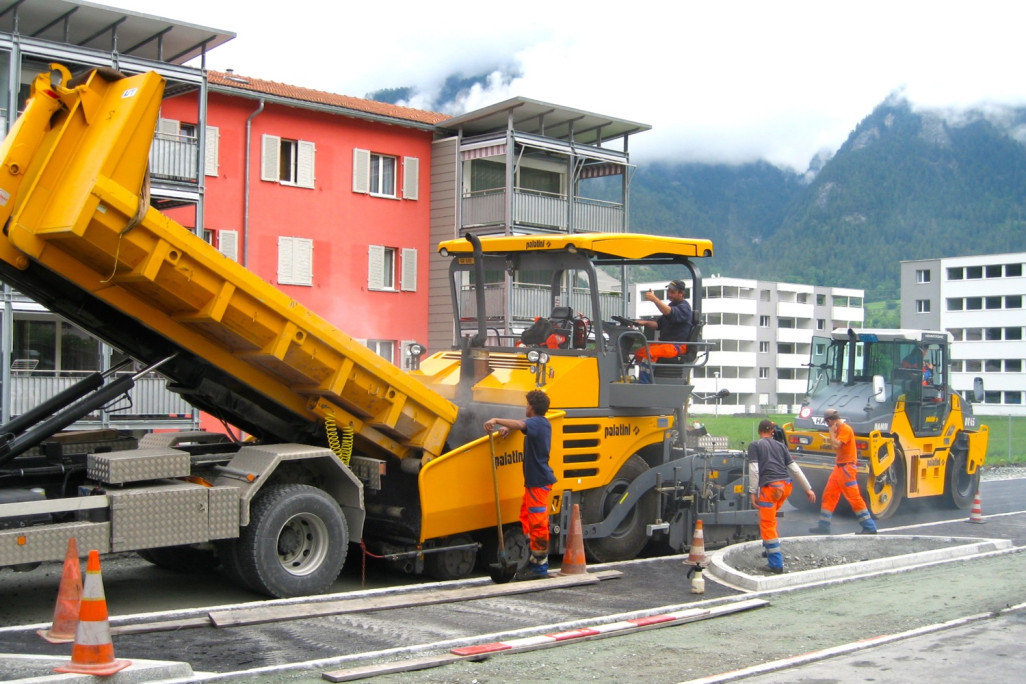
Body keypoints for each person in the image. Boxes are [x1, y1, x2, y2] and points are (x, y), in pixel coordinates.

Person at [483, 390, 555, 578]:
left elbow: (521, 424)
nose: (525, 407)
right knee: (526, 517)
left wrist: (497, 420)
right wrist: (509, 429)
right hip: (534, 482)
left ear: (532, 407)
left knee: (538, 523)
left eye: (527, 404)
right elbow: (521, 426)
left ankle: (540, 566)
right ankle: (534, 559)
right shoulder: (539, 424)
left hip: (538, 482)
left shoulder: (540, 423)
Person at [748, 419, 816, 574]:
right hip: (786, 487)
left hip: (771, 489)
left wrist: (752, 492)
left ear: (759, 431)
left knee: (767, 523)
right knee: (770, 518)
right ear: (772, 431)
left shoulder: (755, 445)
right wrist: (808, 488)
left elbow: (754, 470)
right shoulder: (781, 446)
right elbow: (795, 469)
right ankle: (769, 549)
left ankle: (776, 564)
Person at [809, 408, 878, 535]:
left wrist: (831, 432)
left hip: (847, 469)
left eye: (827, 423)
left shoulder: (845, 429)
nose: (827, 425)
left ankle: (869, 527)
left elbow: (836, 445)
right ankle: (824, 526)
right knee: (829, 495)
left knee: (854, 498)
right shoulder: (840, 429)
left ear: (830, 421)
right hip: (839, 468)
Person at [633, 279, 694, 363]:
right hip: (664, 343)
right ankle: (646, 374)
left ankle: (649, 375)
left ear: (681, 293)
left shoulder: (684, 307)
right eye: (669, 291)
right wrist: (643, 322)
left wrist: (655, 299)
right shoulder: (671, 305)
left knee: (648, 353)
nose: (669, 294)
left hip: (676, 346)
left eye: (672, 292)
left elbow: (670, 312)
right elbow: (658, 324)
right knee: (639, 352)